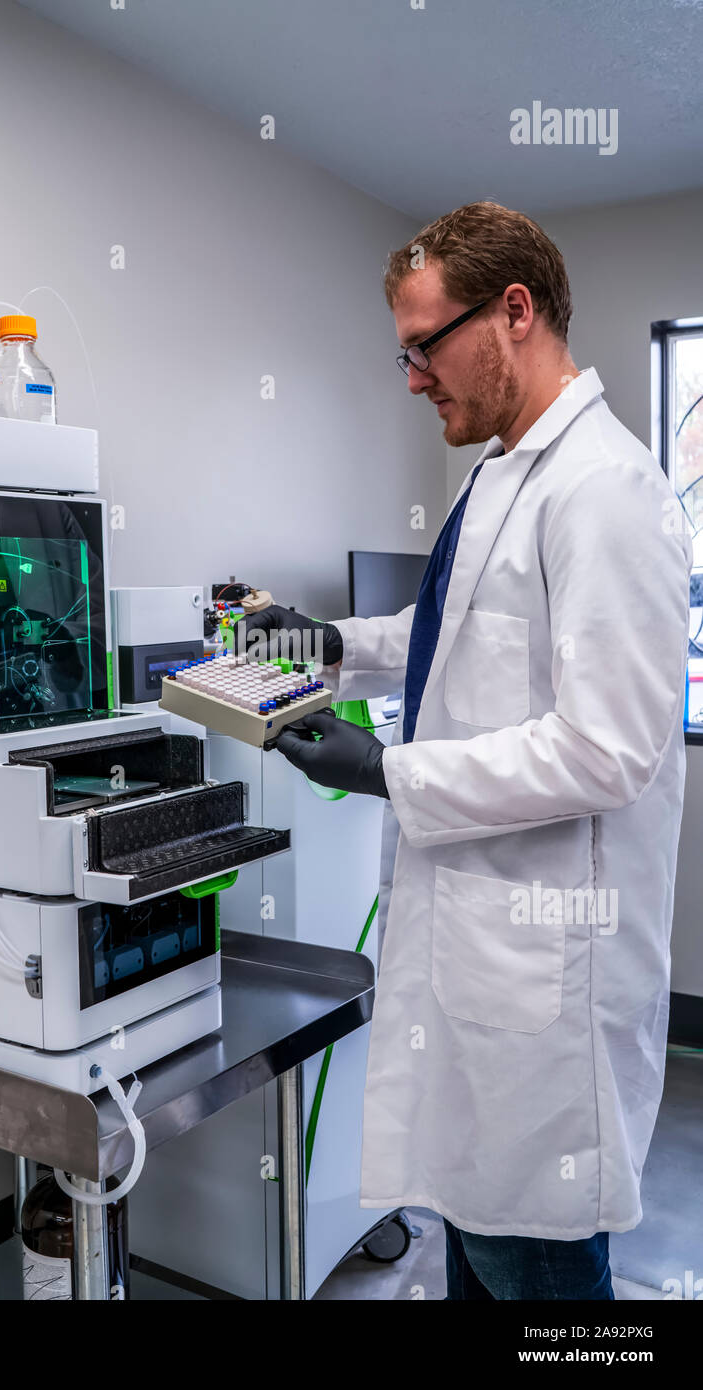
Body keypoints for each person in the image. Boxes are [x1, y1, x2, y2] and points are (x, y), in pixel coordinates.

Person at [245, 201, 691, 1300]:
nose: (410, 378)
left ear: (515, 314)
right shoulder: (499, 473)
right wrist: (332, 642)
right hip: (482, 973)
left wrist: (387, 770)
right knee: (478, 1258)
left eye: (423, 346)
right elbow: (451, 643)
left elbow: (609, 749)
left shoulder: (607, 492)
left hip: (547, 1002)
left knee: (535, 1273)